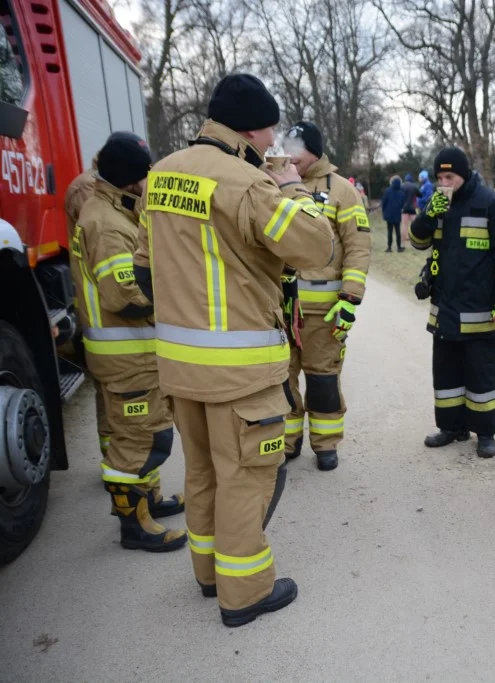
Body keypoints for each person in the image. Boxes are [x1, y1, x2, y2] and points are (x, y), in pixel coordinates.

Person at [137, 74, 334, 626]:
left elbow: (143, 269)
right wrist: (293, 186)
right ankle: (244, 593)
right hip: (239, 372)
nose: (275, 138)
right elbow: (314, 247)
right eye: (271, 127)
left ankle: (208, 574)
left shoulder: (161, 175)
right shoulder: (247, 183)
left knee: (200, 472)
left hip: (179, 366)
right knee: (247, 478)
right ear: (252, 125)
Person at [69, 132, 186, 553]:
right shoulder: (105, 222)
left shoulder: (118, 211)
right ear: (128, 179)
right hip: (125, 355)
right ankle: (134, 527)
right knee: (140, 440)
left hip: (133, 352)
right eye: (144, 173)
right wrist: (175, 289)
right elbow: (125, 296)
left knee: (145, 430)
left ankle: (148, 502)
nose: (149, 179)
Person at [408, 147, 495, 458]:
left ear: (464, 174)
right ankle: (451, 427)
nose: (445, 182)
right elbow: (417, 242)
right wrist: (429, 214)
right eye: (440, 177)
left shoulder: (490, 203)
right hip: (445, 308)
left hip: (481, 310)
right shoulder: (437, 205)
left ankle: (485, 432)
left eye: (450, 176)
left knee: (481, 374)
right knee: (446, 374)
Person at [280, 120, 371, 471]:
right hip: (279, 309)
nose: (288, 160)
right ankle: (288, 443)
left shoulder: (341, 190)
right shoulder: (272, 183)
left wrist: (350, 298)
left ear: (314, 153)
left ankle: (325, 443)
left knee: (322, 381)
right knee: (281, 380)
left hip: (325, 311)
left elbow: (358, 247)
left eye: (295, 156)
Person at [65, 156, 111, 462]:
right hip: (102, 306)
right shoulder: (88, 190)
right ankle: (120, 461)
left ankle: (119, 459)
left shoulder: (93, 187)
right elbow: (101, 236)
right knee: (111, 388)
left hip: (102, 303)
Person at [381, 175, 406, 252]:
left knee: (389, 231)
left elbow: (383, 202)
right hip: (397, 214)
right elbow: (402, 203)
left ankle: (389, 247)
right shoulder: (401, 193)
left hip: (389, 214)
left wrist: (384, 210)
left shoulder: (387, 191)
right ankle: (399, 247)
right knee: (397, 231)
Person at [400, 173, 418, 249]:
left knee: (404, 226)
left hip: (404, 208)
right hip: (412, 208)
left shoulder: (401, 186)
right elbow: (420, 194)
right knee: (415, 225)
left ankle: (403, 244)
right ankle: (416, 243)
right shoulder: (414, 186)